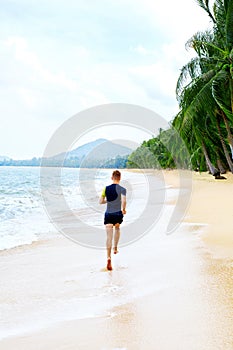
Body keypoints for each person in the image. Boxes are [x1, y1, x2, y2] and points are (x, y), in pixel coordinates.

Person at [99, 170, 127, 271]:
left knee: (108, 237)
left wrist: (108, 200)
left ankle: (108, 257)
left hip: (108, 214)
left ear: (112, 178)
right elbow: (123, 201)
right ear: (119, 178)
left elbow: (100, 201)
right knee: (117, 228)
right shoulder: (122, 189)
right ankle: (115, 247)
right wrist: (123, 209)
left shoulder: (106, 188)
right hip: (117, 214)